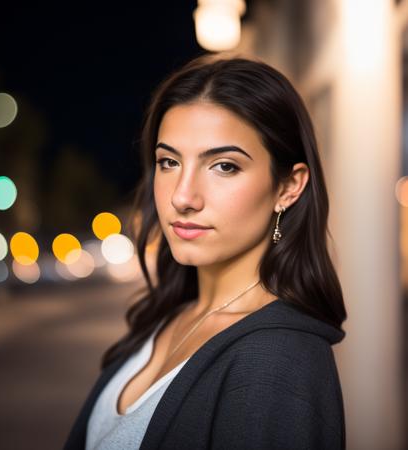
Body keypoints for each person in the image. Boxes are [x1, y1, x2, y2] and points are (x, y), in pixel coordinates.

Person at [63, 53, 347, 450]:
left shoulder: (277, 361)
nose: (182, 196)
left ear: (289, 186)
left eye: (224, 166)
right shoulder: (169, 317)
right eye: (169, 162)